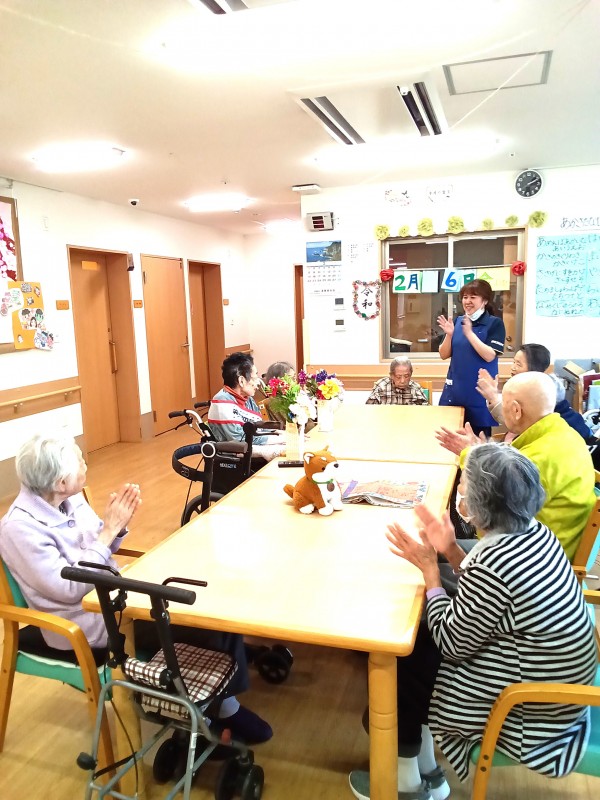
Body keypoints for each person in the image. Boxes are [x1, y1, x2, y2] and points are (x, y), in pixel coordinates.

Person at [349, 444, 597, 800]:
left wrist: (431, 571)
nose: (461, 492)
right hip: (557, 684)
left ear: (481, 505)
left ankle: (404, 784)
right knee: (419, 642)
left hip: (529, 710)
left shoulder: (496, 563)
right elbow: (489, 597)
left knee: (404, 657)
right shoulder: (533, 532)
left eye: (465, 484)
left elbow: (452, 641)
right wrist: (450, 549)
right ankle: (425, 767)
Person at [0, 433, 272, 744]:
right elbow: (68, 587)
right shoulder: (19, 528)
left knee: (212, 598)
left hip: (117, 596)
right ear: (61, 483)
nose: (85, 462)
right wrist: (108, 532)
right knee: (199, 623)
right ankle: (214, 715)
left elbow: (102, 545)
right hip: (85, 621)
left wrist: (115, 528)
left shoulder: (68, 499)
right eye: (78, 460)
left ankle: (213, 703)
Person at [437, 371, 596, 561]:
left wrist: (471, 455)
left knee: (431, 550)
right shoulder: (565, 433)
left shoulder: (535, 460)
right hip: (547, 541)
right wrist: (482, 450)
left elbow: (486, 516)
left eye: (503, 404)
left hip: (532, 558)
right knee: (437, 545)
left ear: (516, 410)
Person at [477, 342, 592, 441]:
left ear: (534, 369)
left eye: (518, 364)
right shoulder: (525, 385)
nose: (513, 367)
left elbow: (518, 421)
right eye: (514, 362)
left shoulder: (543, 390)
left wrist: (493, 397)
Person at [437, 279, 506, 437]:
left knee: (478, 443)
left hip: (479, 394)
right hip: (455, 392)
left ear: (485, 300)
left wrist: (469, 333)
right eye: (465, 297)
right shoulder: (458, 321)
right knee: (451, 437)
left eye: (473, 297)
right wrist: (449, 335)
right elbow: (443, 354)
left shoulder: (495, 323)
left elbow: (489, 356)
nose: (467, 301)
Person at [208, 351, 285, 460]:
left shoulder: (247, 399)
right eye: (254, 378)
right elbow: (240, 439)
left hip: (251, 447)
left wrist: (278, 434)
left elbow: (258, 429)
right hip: (236, 454)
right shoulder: (222, 402)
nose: (258, 383)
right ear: (241, 381)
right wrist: (279, 439)